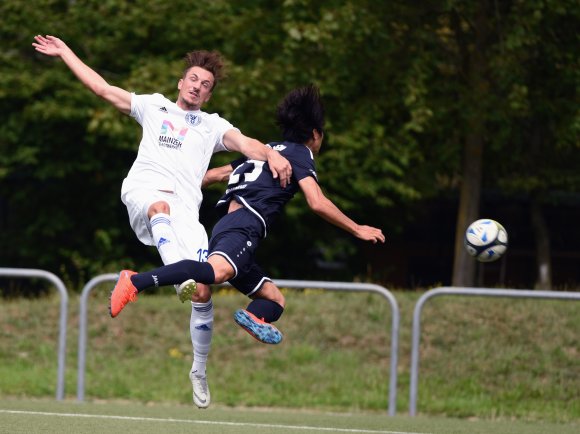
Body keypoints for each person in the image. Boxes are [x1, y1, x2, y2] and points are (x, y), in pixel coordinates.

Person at [32, 35, 292, 410]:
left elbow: (247, 143)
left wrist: (272, 154)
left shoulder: (212, 125)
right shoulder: (153, 107)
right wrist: (65, 52)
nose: (198, 86)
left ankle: (199, 370)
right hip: (146, 192)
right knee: (159, 207)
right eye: (193, 79)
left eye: (206, 85)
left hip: (186, 214)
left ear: (208, 95)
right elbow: (102, 89)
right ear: (180, 82)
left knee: (203, 292)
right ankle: (165, 278)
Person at [109, 84, 385, 356]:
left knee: (274, 300)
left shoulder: (265, 149)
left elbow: (212, 176)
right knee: (215, 274)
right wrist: (356, 228)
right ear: (315, 134)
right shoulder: (302, 153)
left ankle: (254, 317)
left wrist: (173, 188)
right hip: (244, 226)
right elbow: (317, 202)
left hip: (230, 229)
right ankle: (136, 282)